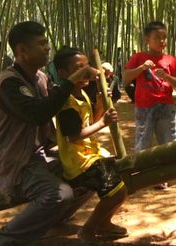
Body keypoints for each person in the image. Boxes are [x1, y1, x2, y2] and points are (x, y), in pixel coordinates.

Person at [0, 21, 97, 245]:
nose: (47, 48)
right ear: (22, 51)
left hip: (36, 154)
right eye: (41, 44)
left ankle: (52, 219)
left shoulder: (41, 78)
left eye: (47, 43)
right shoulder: (8, 83)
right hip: (10, 160)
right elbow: (38, 114)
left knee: (92, 170)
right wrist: (72, 79)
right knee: (58, 193)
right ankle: (1, 241)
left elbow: (63, 99)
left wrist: (91, 80)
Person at [53, 47, 128, 241]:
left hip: (91, 154)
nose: (86, 71)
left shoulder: (83, 94)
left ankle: (104, 223)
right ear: (63, 73)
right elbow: (74, 136)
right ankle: (88, 229)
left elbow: (91, 121)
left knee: (123, 182)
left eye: (87, 66)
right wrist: (103, 122)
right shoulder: (66, 101)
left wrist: (102, 105)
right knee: (117, 192)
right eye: (80, 67)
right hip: (79, 161)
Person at [123, 21, 176, 188]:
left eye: (164, 37)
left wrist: (168, 77)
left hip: (166, 106)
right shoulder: (138, 57)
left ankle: (165, 176)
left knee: (169, 142)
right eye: (158, 37)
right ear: (147, 39)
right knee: (143, 141)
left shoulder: (170, 59)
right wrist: (141, 68)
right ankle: (141, 175)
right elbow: (126, 79)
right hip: (144, 106)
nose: (162, 41)